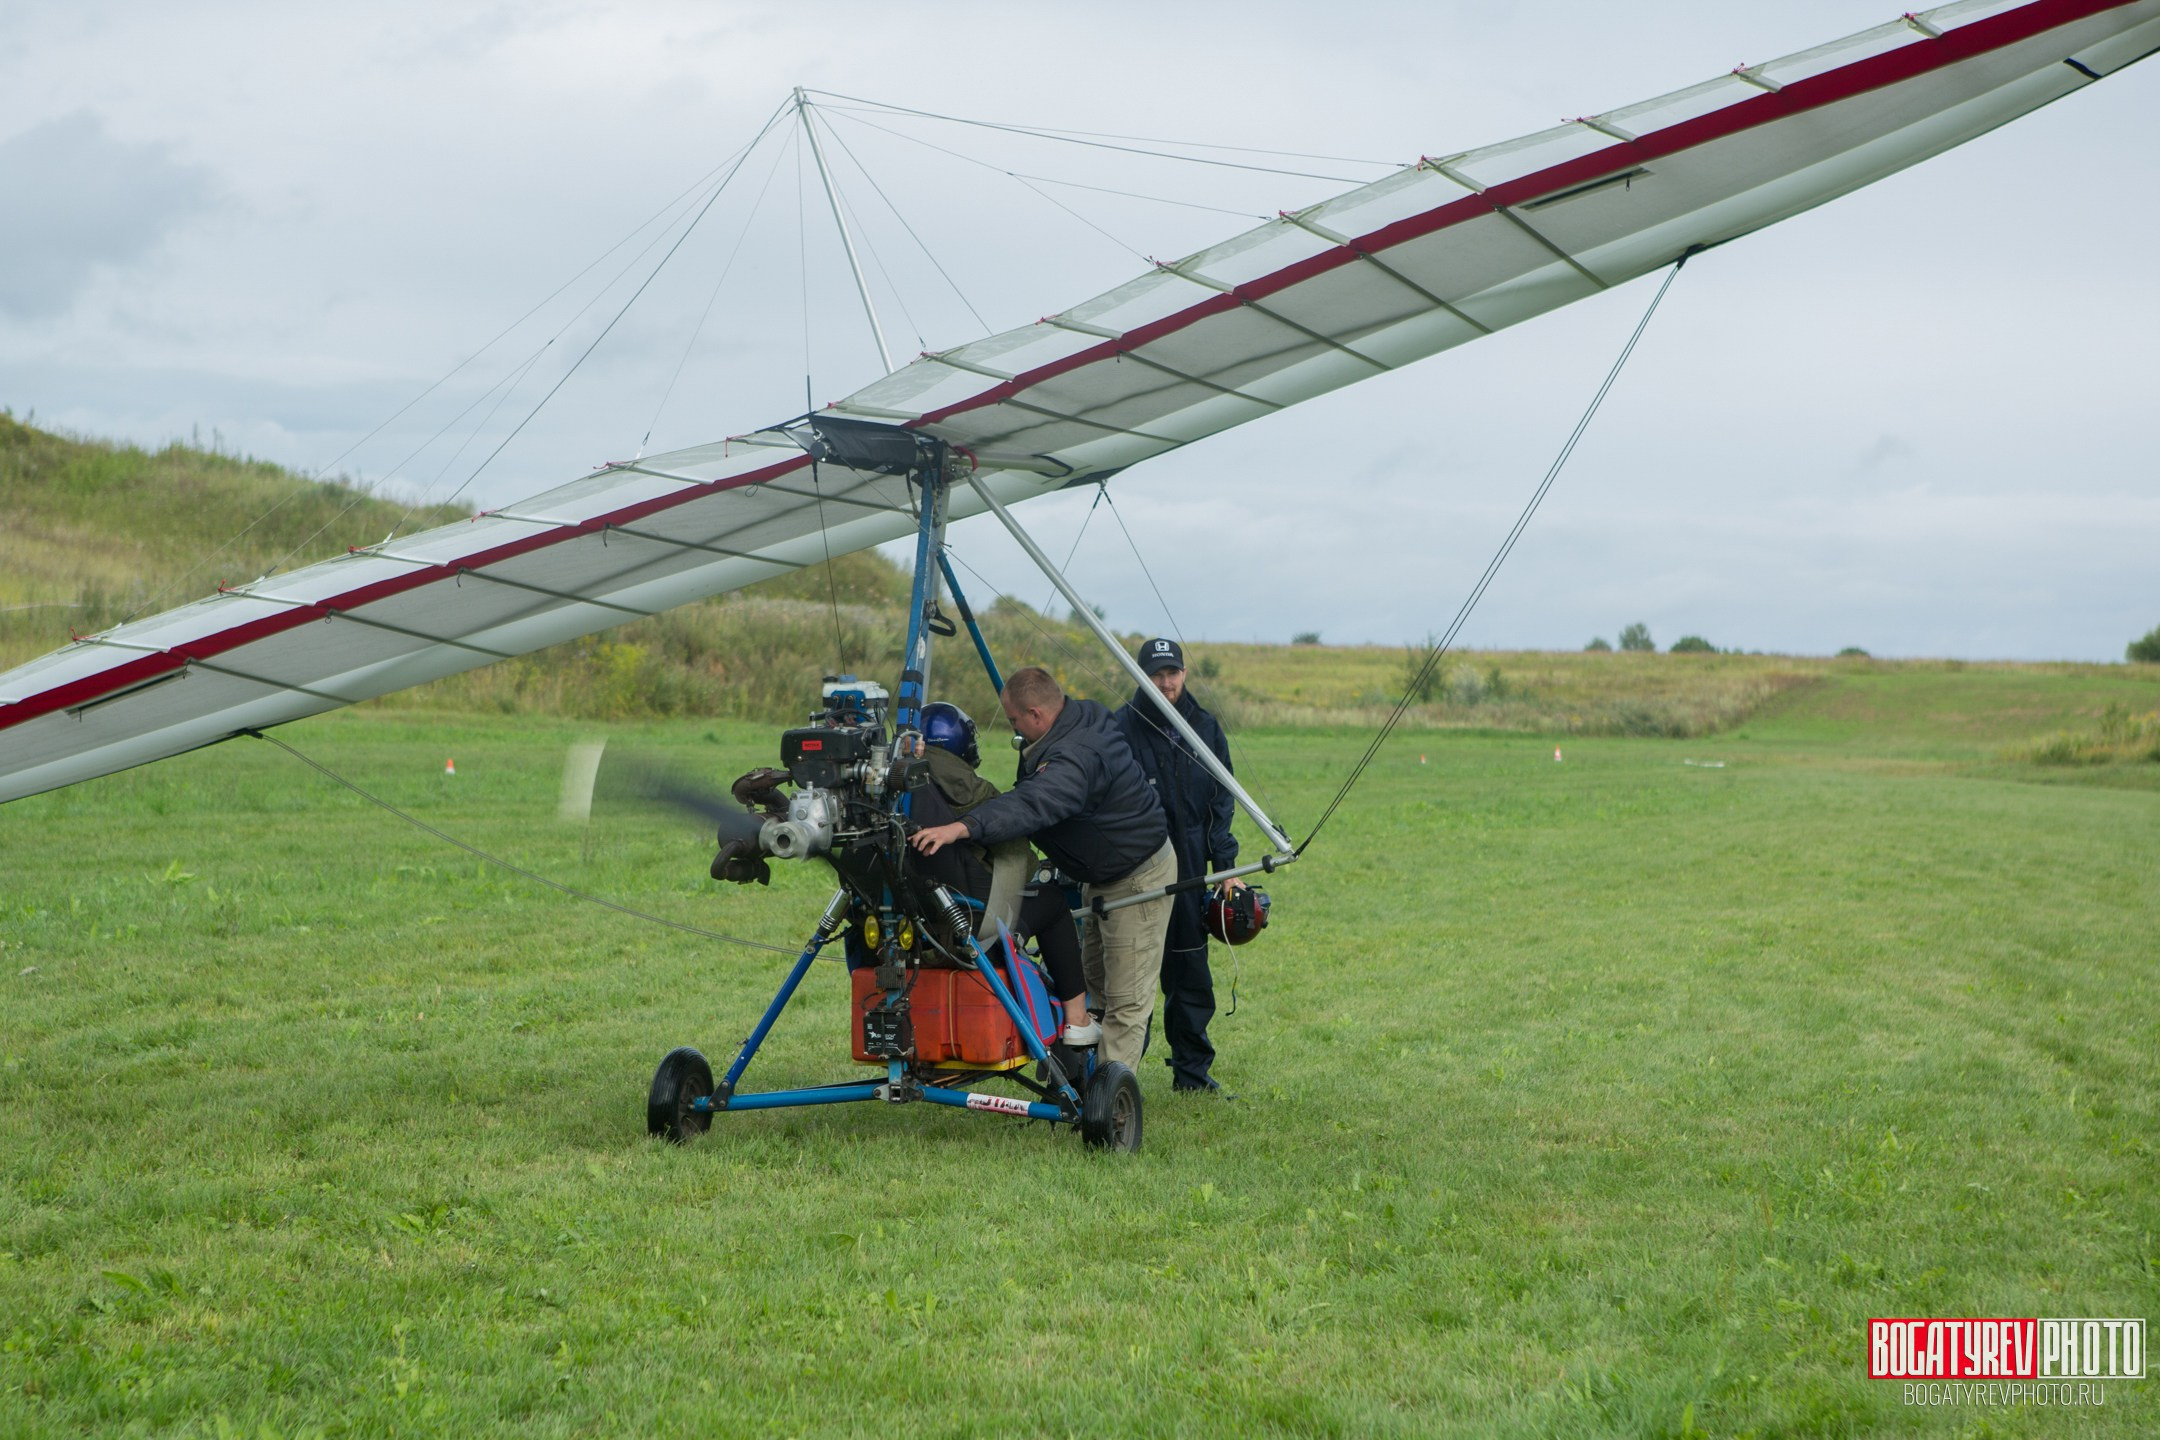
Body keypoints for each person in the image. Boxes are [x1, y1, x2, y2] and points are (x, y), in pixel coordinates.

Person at [910, 667, 1174, 1071]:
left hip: (1135, 880)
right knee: (1095, 990)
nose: (1012, 728)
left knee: (1126, 1002)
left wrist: (962, 826)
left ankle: (1111, 1108)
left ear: (1035, 714)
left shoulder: (1076, 759)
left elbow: (1035, 802)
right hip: (1099, 875)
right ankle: (1083, 1078)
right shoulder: (1079, 716)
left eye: (1014, 720)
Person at [911, 700, 1095, 1045]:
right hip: (967, 929)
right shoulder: (968, 789)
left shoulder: (893, 791)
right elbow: (1016, 850)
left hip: (908, 932)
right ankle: (1076, 1018)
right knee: (1053, 902)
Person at [1116, 638, 1242, 1094]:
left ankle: (1191, 1075)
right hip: (1137, 865)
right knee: (1131, 980)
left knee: (1190, 974)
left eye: (1172, 672)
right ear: (1142, 677)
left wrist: (1226, 867)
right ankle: (1116, 1077)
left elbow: (1220, 801)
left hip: (1190, 867)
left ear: (1184, 674)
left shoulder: (1205, 727)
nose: (1166, 682)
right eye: (1156, 674)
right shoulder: (1122, 728)